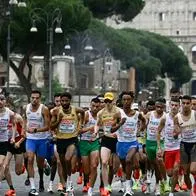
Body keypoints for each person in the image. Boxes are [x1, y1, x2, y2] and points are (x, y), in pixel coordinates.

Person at [50, 92, 85, 194]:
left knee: (67, 158)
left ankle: (69, 181)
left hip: (72, 139)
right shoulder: (56, 111)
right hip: (60, 140)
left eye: (66, 101)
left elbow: (83, 112)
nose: (64, 103)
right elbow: (51, 127)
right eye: (62, 101)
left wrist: (80, 125)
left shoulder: (75, 109)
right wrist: (59, 120)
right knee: (63, 164)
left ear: (70, 101)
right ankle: (65, 185)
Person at [95, 92, 125, 196]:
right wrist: (95, 131)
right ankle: (105, 186)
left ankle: (111, 183)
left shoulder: (119, 112)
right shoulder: (100, 113)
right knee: (104, 162)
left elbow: (124, 124)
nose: (107, 103)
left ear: (113, 101)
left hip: (117, 140)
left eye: (109, 101)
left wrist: (120, 133)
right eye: (106, 101)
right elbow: (98, 125)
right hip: (106, 140)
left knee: (115, 167)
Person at [116, 91, 146, 195]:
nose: (126, 102)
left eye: (128, 99)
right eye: (124, 99)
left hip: (132, 142)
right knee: (124, 166)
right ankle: (129, 180)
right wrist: (120, 124)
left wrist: (140, 130)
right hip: (121, 143)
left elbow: (144, 120)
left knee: (129, 160)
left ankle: (128, 189)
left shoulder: (137, 114)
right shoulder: (118, 113)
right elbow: (111, 129)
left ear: (132, 101)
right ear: (121, 101)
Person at [24, 90, 50, 196]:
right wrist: (25, 129)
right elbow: (25, 119)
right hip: (30, 139)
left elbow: (47, 127)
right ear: (30, 98)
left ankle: (44, 164)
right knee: (30, 159)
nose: (34, 100)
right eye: (32, 98)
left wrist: (36, 130)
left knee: (39, 163)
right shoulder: (26, 107)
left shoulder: (44, 109)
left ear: (40, 98)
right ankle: (33, 188)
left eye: (37, 98)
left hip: (42, 139)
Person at [157, 97, 181, 196]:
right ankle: (168, 181)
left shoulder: (181, 118)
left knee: (176, 170)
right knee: (170, 173)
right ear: (169, 105)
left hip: (179, 148)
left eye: (176, 105)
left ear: (179, 106)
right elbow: (158, 132)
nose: (174, 107)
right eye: (172, 105)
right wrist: (159, 146)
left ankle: (171, 192)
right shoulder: (165, 118)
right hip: (168, 148)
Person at [145, 97, 168, 195]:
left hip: (160, 142)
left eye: (161, 107)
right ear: (155, 106)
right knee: (152, 163)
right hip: (149, 141)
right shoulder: (150, 114)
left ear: (164, 107)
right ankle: (149, 181)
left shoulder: (166, 117)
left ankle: (159, 185)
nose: (159, 109)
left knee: (158, 162)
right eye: (157, 107)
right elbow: (143, 125)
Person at [174, 95, 196, 196]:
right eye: (184, 103)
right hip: (183, 145)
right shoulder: (177, 117)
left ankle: (194, 188)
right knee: (186, 173)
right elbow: (175, 135)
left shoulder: (195, 115)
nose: (186, 105)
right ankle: (192, 189)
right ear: (181, 104)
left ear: (191, 104)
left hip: (194, 144)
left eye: (188, 103)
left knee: (193, 170)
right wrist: (176, 133)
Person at [79, 97, 101, 196]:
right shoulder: (86, 115)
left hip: (95, 143)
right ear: (90, 106)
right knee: (87, 170)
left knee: (94, 165)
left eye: (97, 106)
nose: (95, 108)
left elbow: (104, 129)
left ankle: (90, 189)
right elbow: (78, 131)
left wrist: (97, 133)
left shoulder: (101, 116)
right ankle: (86, 180)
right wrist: (90, 128)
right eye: (93, 106)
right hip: (83, 142)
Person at [3, 112, 25, 196]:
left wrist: (19, 142)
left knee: (18, 172)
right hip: (7, 144)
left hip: (18, 143)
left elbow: (24, 133)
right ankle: (11, 189)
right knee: (5, 165)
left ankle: (23, 166)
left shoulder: (18, 117)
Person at [47, 93, 65, 193]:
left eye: (60, 101)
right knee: (55, 161)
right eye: (57, 101)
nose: (59, 103)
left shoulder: (68, 111)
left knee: (59, 162)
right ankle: (53, 183)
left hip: (64, 139)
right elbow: (50, 125)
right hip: (53, 140)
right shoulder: (52, 112)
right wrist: (53, 134)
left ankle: (60, 183)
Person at [0, 94, 15, 192]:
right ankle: (11, 187)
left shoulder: (10, 113)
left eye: (2, 99)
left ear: (5, 101)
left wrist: (13, 137)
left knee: (1, 164)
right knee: (5, 168)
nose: (0, 102)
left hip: (3, 142)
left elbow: (14, 124)